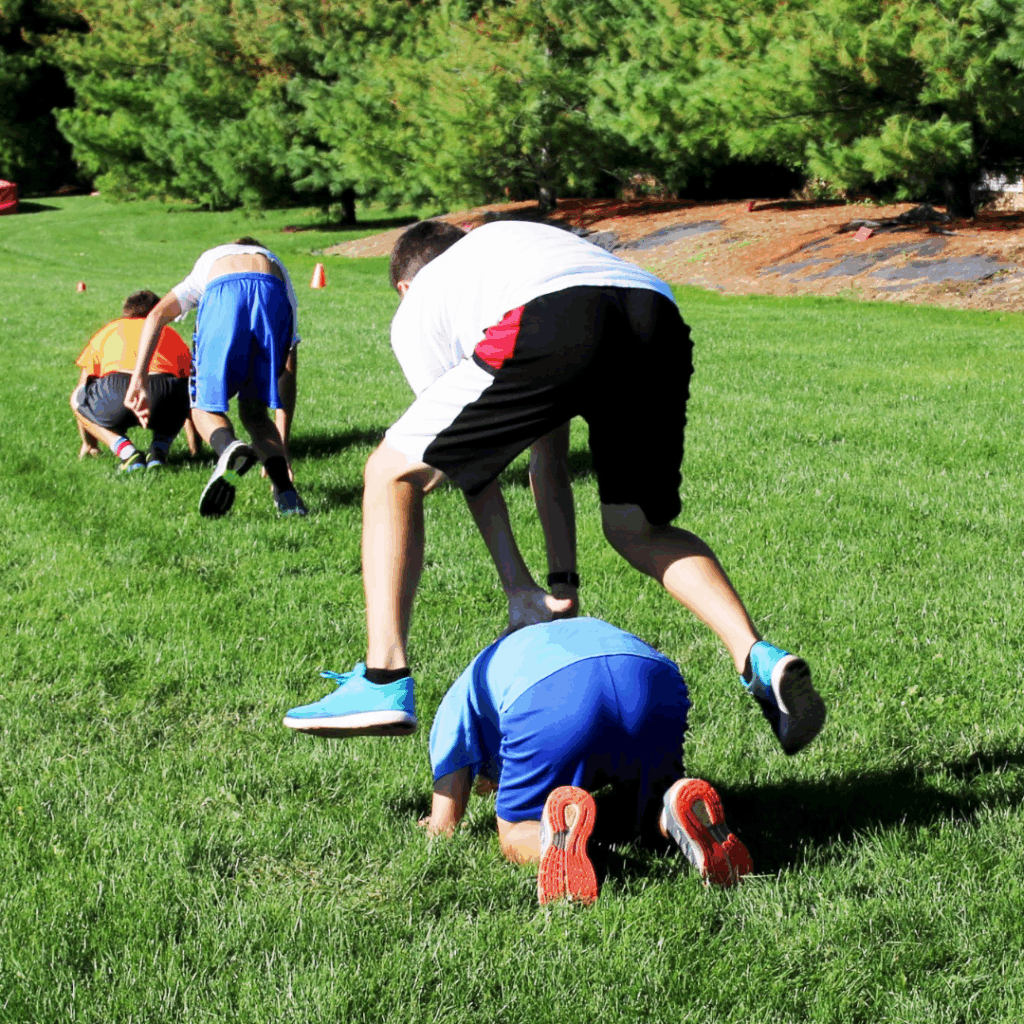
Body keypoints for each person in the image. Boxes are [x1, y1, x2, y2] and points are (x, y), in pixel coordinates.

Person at [283, 219, 825, 757]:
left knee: (388, 473)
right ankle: (755, 656)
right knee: (636, 526)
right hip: (652, 313)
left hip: (552, 314)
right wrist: (561, 585)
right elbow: (548, 455)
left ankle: (383, 677)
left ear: (404, 286)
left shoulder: (419, 305)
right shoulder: (510, 251)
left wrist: (517, 586)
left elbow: (468, 464)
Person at [419, 617, 753, 904]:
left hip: (549, 697)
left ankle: (558, 844)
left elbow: (444, 822)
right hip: (650, 675)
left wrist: (436, 825)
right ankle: (674, 813)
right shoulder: (520, 653)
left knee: (515, 828)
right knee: (647, 802)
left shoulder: (461, 692)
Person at [124, 237, 307, 517]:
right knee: (256, 415)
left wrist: (139, 378)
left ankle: (229, 448)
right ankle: (287, 495)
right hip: (274, 296)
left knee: (201, 408)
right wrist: (284, 446)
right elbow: (288, 368)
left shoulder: (213, 258)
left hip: (224, 290)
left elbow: (156, 315)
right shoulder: (275, 264)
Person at [71, 289, 198, 471]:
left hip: (116, 391)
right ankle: (158, 452)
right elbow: (191, 391)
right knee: (178, 396)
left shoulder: (109, 330)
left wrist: (89, 443)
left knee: (77, 399)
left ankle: (127, 452)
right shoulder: (169, 333)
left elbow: (84, 386)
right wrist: (195, 450)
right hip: (166, 392)